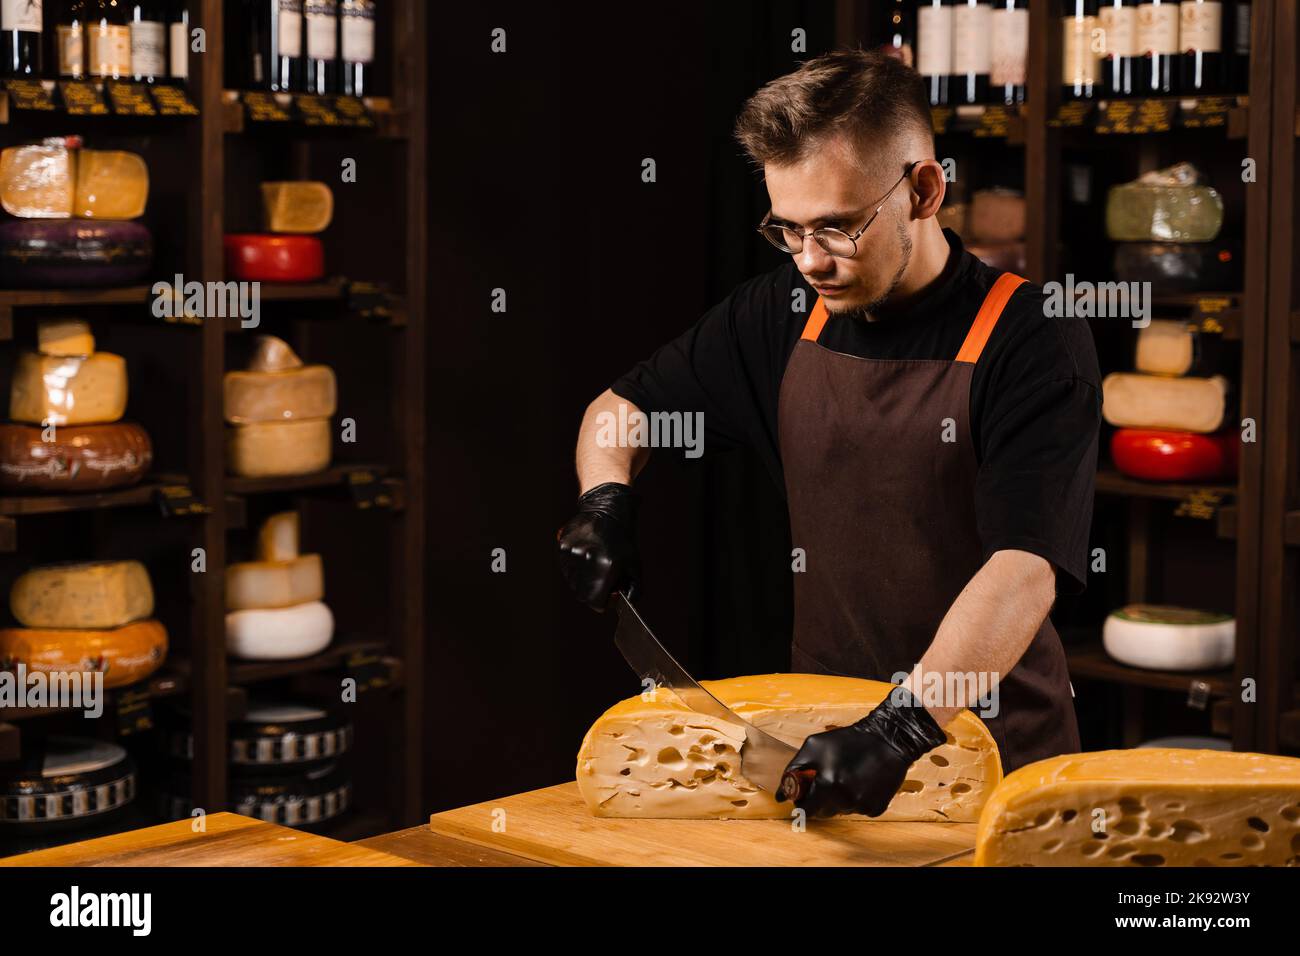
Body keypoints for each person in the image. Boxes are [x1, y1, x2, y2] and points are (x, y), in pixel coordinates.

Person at [557, 50, 1100, 818]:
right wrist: (604, 497)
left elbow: (1024, 568)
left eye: (838, 228)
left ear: (923, 189)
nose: (811, 260)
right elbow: (623, 406)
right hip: (822, 742)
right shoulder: (780, 311)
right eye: (788, 230)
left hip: (992, 757)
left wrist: (905, 725)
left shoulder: (1033, 336)